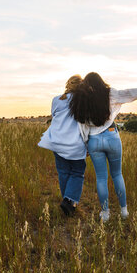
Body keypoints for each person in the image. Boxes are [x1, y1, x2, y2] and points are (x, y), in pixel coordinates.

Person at [69, 72, 137, 222]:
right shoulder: (110, 94)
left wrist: (86, 145)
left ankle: (105, 213)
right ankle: (124, 211)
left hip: (94, 140)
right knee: (117, 175)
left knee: (101, 178)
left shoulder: (82, 100)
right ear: (101, 82)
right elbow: (131, 93)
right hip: (112, 135)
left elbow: (82, 127)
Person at [38, 75, 87, 216]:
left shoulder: (57, 100)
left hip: (57, 141)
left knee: (63, 171)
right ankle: (69, 200)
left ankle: (67, 202)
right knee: (77, 172)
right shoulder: (83, 102)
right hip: (75, 143)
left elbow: (54, 117)